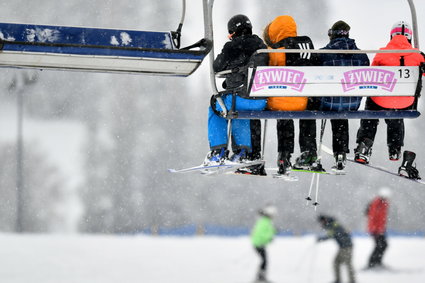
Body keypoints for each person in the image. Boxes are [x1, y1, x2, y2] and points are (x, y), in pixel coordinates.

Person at [204, 14, 269, 173]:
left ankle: (218, 152)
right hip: (261, 100)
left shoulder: (233, 46)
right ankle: (243, 151)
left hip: (240, 98)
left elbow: (217, 66)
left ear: (233, 32)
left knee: (216, 106)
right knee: (242, 113)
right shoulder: (262, 46)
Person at [355, 21, 425, 165]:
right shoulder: (418, 56)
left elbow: (372, 74)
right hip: (406, 103)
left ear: (391, 36)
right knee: (396, 111)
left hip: (381, 101)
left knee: (372, 108)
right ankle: (395, 148)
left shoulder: (382, 53)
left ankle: (365, 145)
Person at [262, 15, 321, 175]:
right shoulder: (306, 45)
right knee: (308, 112)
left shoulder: (274, 51)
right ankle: (309, 151)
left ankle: (284, 156)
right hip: (303, 102)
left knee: (283, 111)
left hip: (279, 102)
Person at [317, 20, 370, 171]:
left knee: (334, 104)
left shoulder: (322, 54)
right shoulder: (362, 56)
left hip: (328, 102)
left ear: (331, 35)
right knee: (342, 107)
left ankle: (312, 151)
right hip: (352, 103)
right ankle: (340, 153)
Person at [317, 215, 356, 283]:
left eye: (321, 222)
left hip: (346, 246)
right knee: (336, 262)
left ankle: (352, 281)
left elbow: (331, 234)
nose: (321, 224)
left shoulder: (333, 225)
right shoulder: (332, 224)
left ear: (324, 220)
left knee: (347, 263)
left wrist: (321, 239)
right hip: (343, 247)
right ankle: (338, 280)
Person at [365, 187, 391, 269]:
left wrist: (381, 229)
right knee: (381, 245)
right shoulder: (378, 203)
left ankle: (376, 262)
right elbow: (374, 217)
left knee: (381, 245)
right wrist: (376, 230)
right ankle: (372, 263)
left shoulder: (383, 203)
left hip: (379, 229)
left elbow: (381, 218)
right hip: (376, 230)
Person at [251, 204, 277, 282]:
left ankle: (260, 276)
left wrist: (274, 231)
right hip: (259, 244)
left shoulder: (264, 221)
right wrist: (269, 238)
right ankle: (260, 276)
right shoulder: (265, 221)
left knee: (264, 260)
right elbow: (261, 233)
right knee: (264, 260)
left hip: (258, 244)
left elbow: (267, 231)